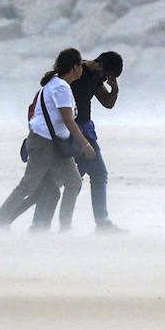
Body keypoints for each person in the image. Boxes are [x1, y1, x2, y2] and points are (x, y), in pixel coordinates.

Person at [0, 48, 95, 234]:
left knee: (72, 182)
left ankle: (61, 228)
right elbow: (68, 120)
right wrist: (84, 144)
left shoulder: (54, 84)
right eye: (80, 65)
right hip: (43, 143)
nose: (82, 69)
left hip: (55, 144)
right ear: (74, 67)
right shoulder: (60, 87)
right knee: (29, 185)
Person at [30, 51, 124, 233]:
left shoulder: (96, 77)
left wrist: (115, 89)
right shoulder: (78, 72)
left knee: (70, 178)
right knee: (80, 176)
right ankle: (98, 223)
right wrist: (81, 141)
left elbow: (107, 102)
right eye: (108, 75)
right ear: (101, 66)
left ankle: (41, 223)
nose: (106, 79)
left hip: (84, 131)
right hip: (73, 133)